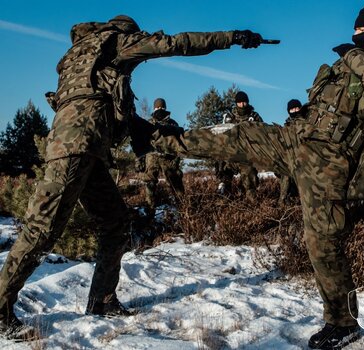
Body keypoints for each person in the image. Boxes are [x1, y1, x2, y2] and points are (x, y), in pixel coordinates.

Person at [0, 15, 264, 340]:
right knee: (42, 229)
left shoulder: (81, 57)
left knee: (115, 222)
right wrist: (232, 36)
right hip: (77, 146)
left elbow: (106, 105)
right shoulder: (118, 42)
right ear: (129, 33)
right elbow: (176, 43)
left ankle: (102, 300)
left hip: (87, 147)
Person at [151, 1, 364, 348]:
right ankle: (160, 138)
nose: (355, 36)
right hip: (295, 139)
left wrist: (354, 56)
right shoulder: (346, 66)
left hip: (330, 161)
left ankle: (342, 320)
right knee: (238, 136)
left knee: (322, 242)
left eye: (363, 31)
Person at [139, 98, 184, 215]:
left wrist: (176, 160)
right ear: (154, 108)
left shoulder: (173, 123)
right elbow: (143, 142)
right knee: (150, 183)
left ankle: (183, 210)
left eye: (162, 107)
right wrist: (140, 159)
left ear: (165, 107)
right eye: (157, 107)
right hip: (151, 157)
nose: (160, 109)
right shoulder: (148, 123)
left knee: (176, 183)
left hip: (168, 158)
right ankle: (150, 211)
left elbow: (178, 143)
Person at [216, 91, 263, 201]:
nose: (242, 105)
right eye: (240, 102)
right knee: (224, 179)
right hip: (231, 155)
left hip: (247, 156)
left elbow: (262, 135)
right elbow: (221, 136)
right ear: (236, 103)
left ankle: (252, 207)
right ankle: (224, 206)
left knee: (249, 181)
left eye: (244, 102)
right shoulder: (229, 117)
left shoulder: (254, 116)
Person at [278, 99, 302, 206]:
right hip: (289, 157)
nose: (295, 111)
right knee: (286, 174)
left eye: (297, 108)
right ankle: (283, 200)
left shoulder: (306, 123)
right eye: (292, 109)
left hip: (305, 157)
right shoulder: (286, 127)